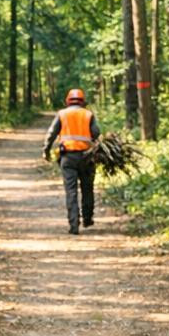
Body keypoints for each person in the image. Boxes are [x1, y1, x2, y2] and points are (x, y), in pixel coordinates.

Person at [42, 89, 102, 234]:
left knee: (71, 191)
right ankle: (87, 218)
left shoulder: (62, 114)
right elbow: (96, 133)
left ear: (67, 101)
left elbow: (51, 133)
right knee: (87, 188)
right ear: (83, 101)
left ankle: (73, 224)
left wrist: (46, 149)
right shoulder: (88, 114)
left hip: (68, 157)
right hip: (87, 157)